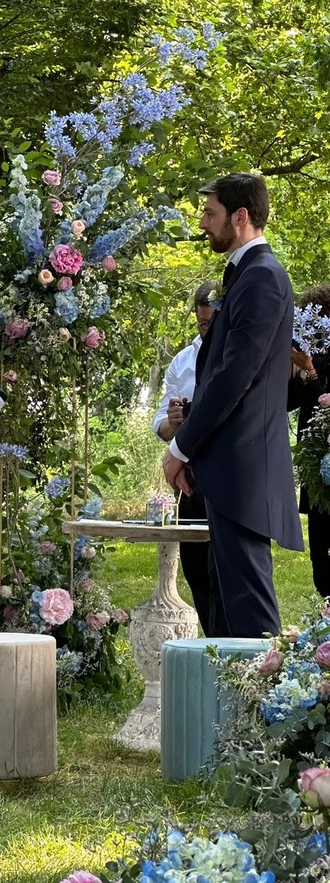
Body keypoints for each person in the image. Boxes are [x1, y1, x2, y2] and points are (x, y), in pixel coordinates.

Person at [162, 172, 304, 638]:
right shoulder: (245, 275)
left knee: (251, 621)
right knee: (223, 617)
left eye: (211, 214)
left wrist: (180, 447)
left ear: (240, 217)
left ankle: (266, 710)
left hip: (244, 471)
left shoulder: (261, 278)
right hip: (227, 469)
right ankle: (229, 711)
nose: (203, 223)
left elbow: (232, 379)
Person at [153, 281, 220, 635]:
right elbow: (160, 423)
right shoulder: (182, 361)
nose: (206, 328)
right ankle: (210, 639)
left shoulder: (234, 355)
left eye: (212, 321)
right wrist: (173, 422)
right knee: (195, 568)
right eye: (202, 323)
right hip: (189, 475)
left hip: (226, 471)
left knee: (221, 566)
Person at [288, 284, 330, 598]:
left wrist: (311, 372)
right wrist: (291, 371)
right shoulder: (310, 354)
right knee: (318, 557)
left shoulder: (316, 362)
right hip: (315, 468)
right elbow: (290, 402)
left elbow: (325, 406)